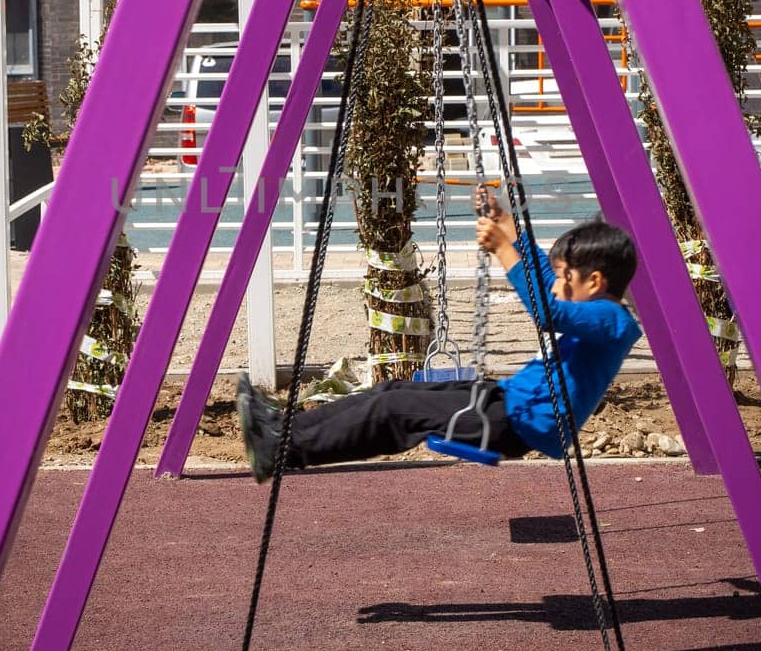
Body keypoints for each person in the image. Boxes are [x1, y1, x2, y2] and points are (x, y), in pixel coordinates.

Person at [236, 196, 641, 482]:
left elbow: (549, 311)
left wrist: (504, 251)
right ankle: (286, 430)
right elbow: (548, 283)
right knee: (391, 392)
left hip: (513, 423)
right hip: (505, 403)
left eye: (563, 278)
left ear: (594, 281)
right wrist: (512, 233)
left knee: (393, 411)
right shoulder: (597, 307)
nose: (554, 285)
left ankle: (285, 447)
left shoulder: (612, 321)